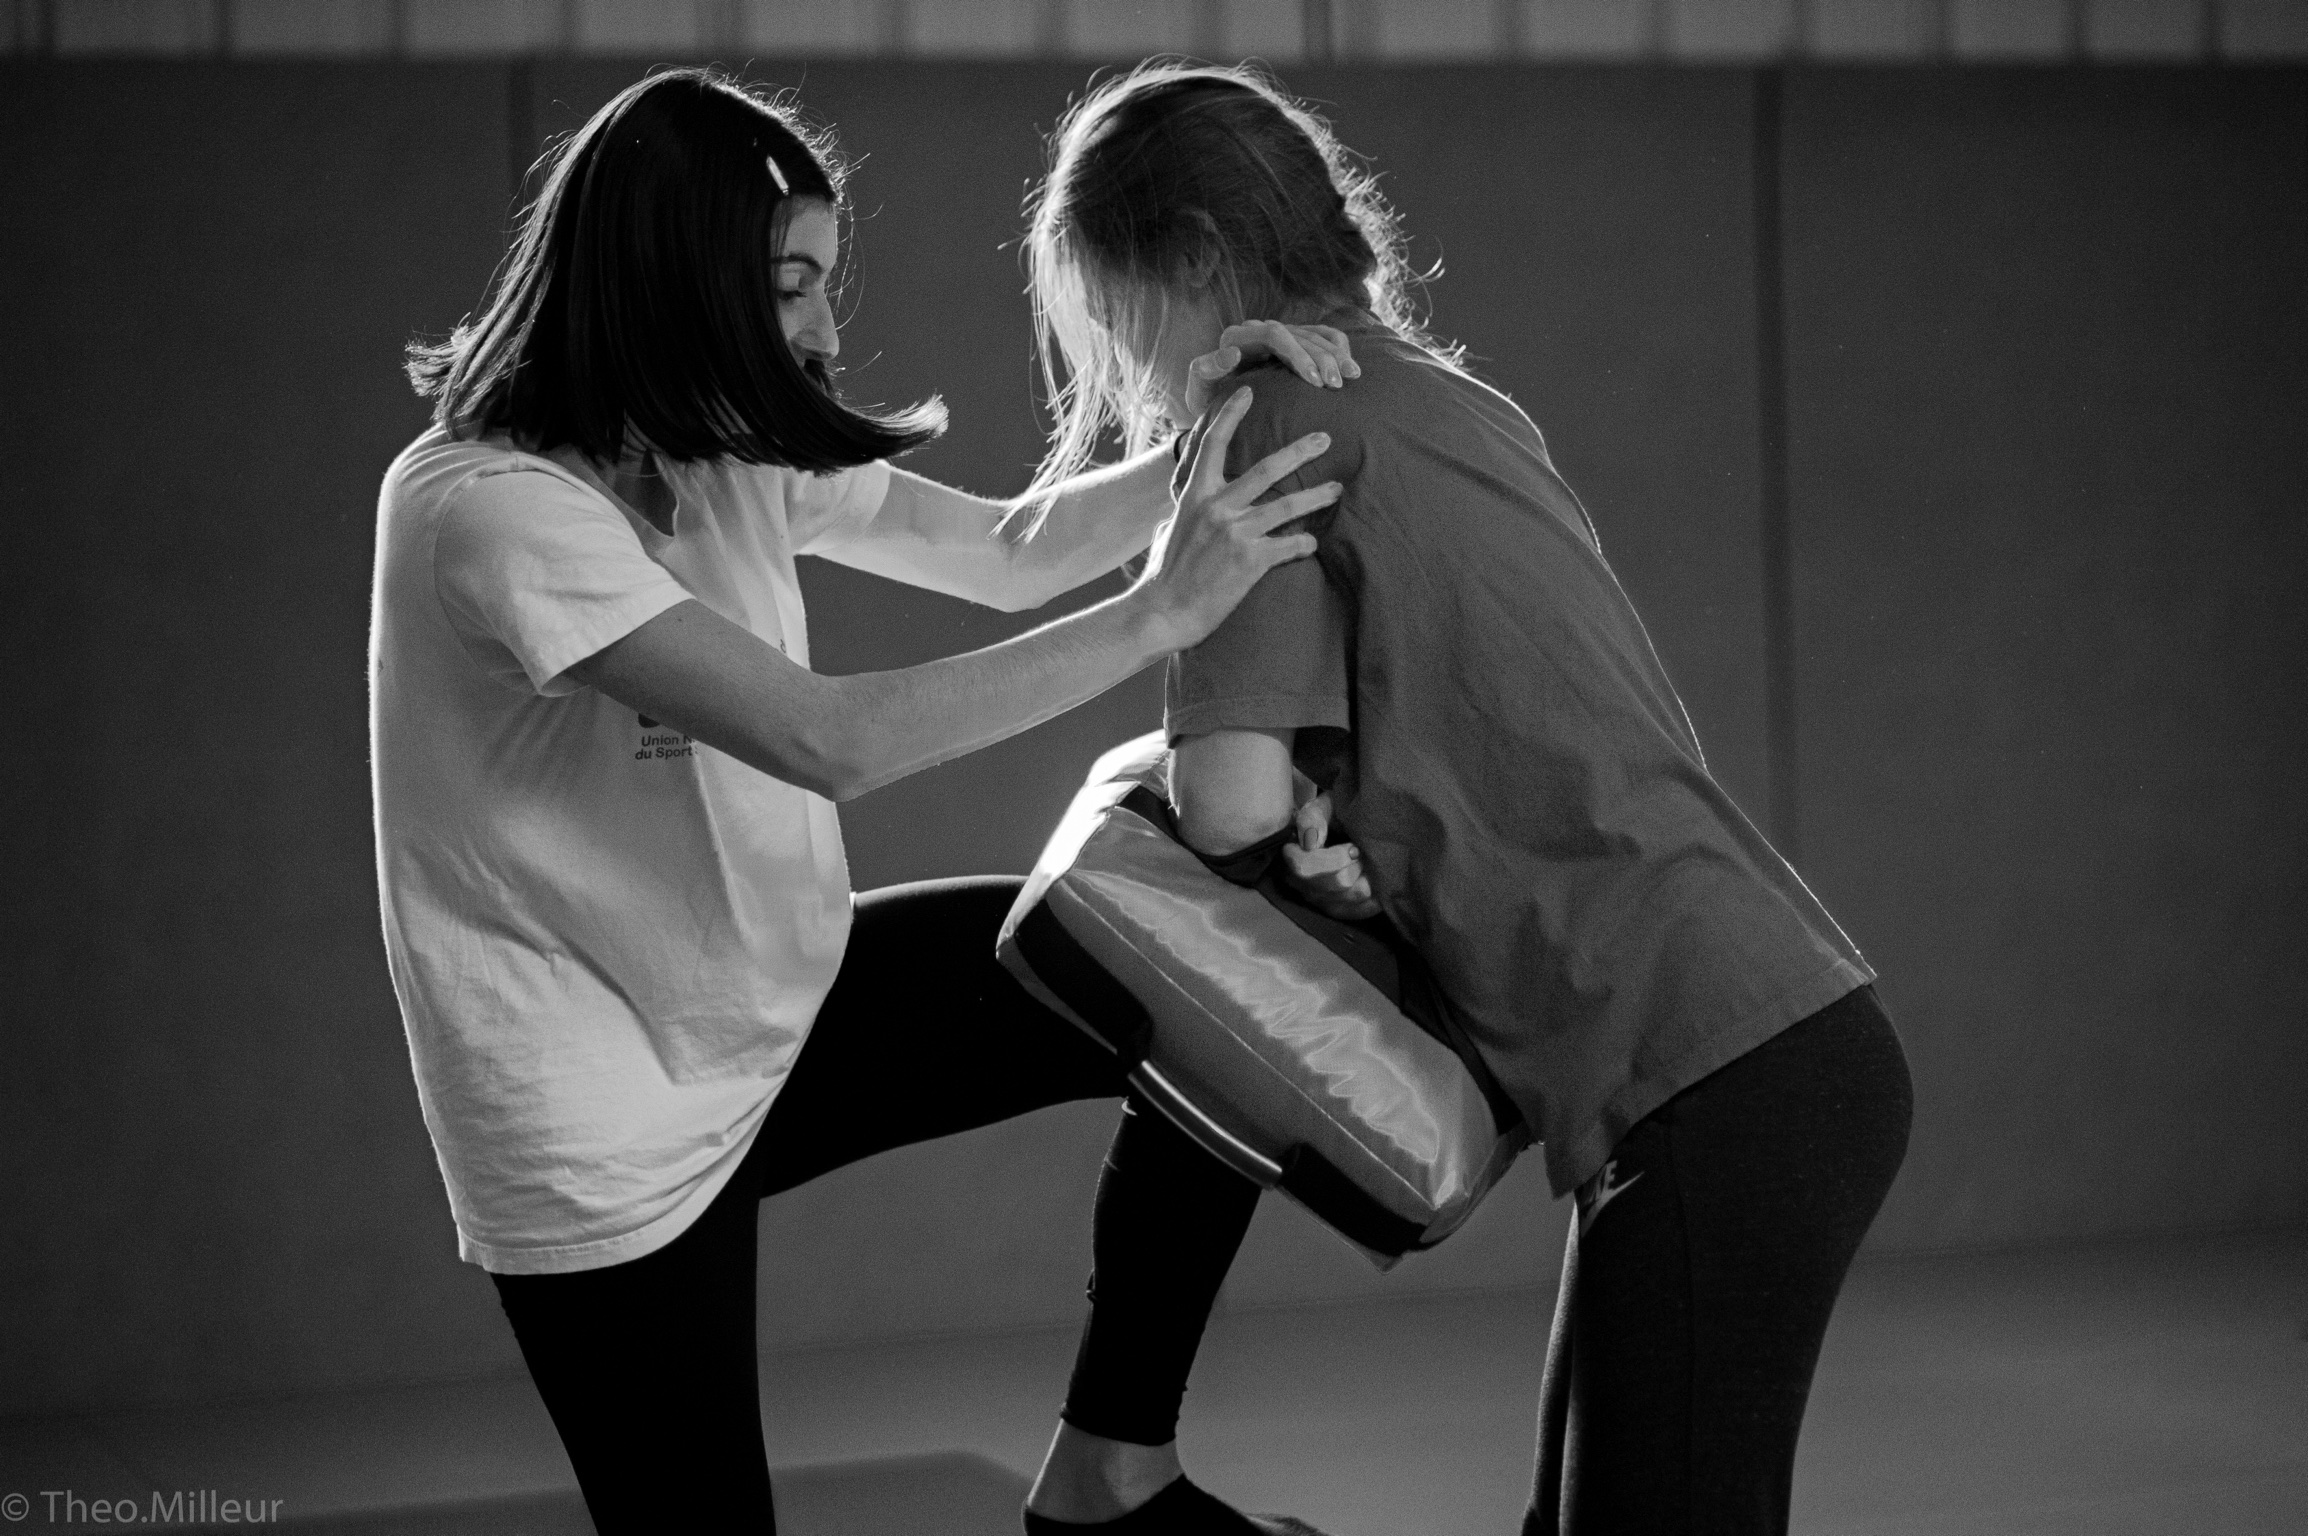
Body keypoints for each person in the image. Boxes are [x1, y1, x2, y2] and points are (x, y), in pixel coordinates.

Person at [369, 67, 1359, 1532]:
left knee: (1200, 983)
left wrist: (1228, 421)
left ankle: (1115, 1479)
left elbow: (1013, 552)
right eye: (791, 288)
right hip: (601, 1123)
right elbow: (824, 738)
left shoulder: (722, 452)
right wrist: (1162, 612)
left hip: (784, 1006)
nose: (827, 331)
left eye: (824, 284)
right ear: (670, 276)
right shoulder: (483, 509)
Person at [1021, 63, 1915, 1535]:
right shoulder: (1443, 398)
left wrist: (1219, 794)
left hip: (1714, 1078)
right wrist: (1359, 827)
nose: (1125, 358)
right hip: (1755, 1057)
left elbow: (1226, 811)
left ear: (1193, 259)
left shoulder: (1263, 419)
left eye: (1116, 311)